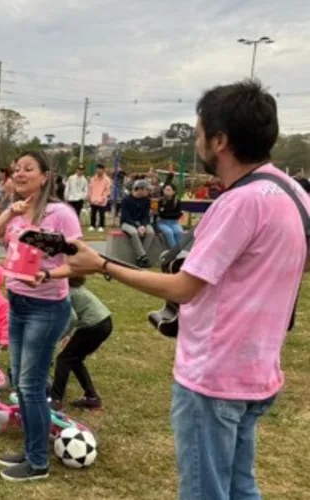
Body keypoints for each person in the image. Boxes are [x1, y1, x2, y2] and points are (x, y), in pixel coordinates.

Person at [67, 80, 308, 500]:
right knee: (240, 485)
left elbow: (184, 288)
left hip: (214, 379)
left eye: (199, 134)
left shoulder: (239, 203)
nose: (197, 142)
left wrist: (102, 264)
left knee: (204, 492)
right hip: (258, 373)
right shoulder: (293, 195)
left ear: (220, 141)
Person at [0, 151, 81, 482]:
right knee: (23, 385)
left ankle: (37, 462)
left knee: (32, 385)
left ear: (45, 176)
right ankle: (30, 450)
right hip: (17, 302)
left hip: (47, 308)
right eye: (16, 169)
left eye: (28, 169)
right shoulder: (17, 213)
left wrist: (48, 276)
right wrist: (10, 211)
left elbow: (79, 262)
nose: (20, 173)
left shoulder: (60, 214)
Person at [49, 275, 112, 411]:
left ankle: (55, 400)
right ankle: (92, 398)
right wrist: (70, 335)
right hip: (105, 322)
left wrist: (59, 336)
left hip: (93, 326)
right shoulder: (75, 287)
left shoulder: (64, 291)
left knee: (64, 359)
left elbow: (71, 318)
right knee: (75, 359)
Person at [120, 180, 156, 267]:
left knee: (151, 232)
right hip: (127, 223)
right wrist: (137, 226)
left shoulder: (146, 200)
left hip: (141, 223)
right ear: (140, 189)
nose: (149, 191)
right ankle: (143, 257)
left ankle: (140, 257)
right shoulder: (126, 200)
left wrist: (143, 225)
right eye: (147, 189)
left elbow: (146, 216)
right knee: (134, 232)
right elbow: (126, 217)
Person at [156, 184, 185, 249]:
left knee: (179, 232)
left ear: (173, 192)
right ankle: (174, 252)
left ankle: (178, 250)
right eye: (165, 189)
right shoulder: (161, 201)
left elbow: (179, 214)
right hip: (163, 222)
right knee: (169, 232)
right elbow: (160, 214)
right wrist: (172, 215)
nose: (166, 191)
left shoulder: (177, 201)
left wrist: (168, 215)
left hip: (174, 222)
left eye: (169, 190)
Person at [87, 164, 112, 231]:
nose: (99, 170)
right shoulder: (92, 179)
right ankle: (92, 225)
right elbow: (90, 188)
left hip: (102, 200)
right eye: (97, 169)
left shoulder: (107, 180)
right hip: (93, 199)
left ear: (103, 170)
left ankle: (101, 226)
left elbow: (107, 190)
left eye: (100, 169)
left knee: (102, 214)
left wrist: (102, 198)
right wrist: (89, 196)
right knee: (93, 213)